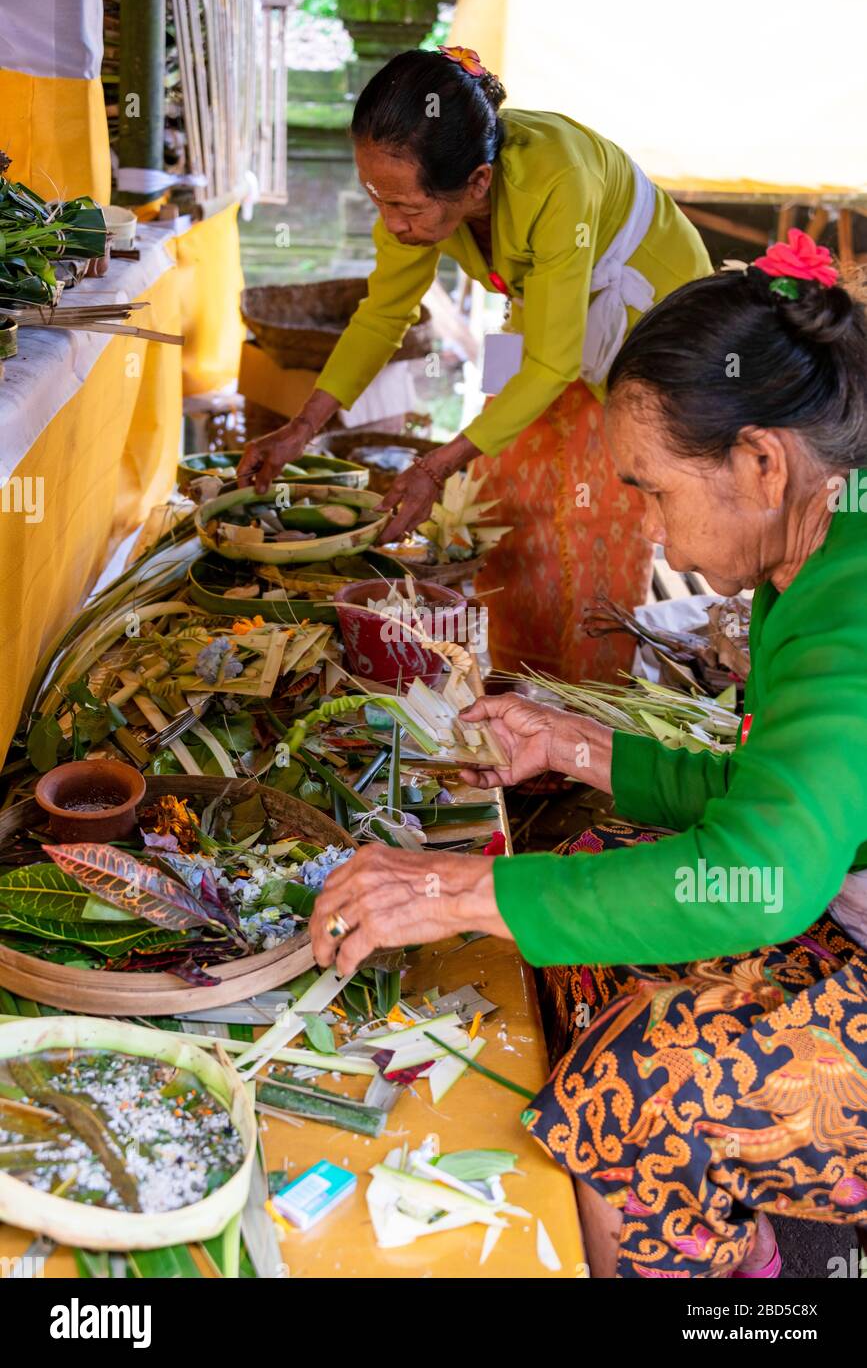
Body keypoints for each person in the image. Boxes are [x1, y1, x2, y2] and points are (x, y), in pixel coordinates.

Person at [308, 231, 867, 1277]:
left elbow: (768, 873)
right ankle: (719, 1247)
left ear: (760, 461)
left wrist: (460, 886)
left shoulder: (855, 606)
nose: (649, 534)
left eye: (653, 490)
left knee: (641, 1081)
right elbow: (785, 800)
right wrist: (580, 746)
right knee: (576, 904)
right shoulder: (821, 543)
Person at [238, 45, 710, 681]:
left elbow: (552, 362)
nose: (391, 223)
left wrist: (433, 467)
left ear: (478, 182)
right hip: (543, 316)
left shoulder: (556, 180)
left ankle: (586, 703)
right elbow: (383, 315)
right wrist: (301, 428)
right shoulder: (409, 192)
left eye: (405, 207)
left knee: (598, 506)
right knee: (505, 500)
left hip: (647, 323)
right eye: (376, 198)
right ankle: (518, 685)